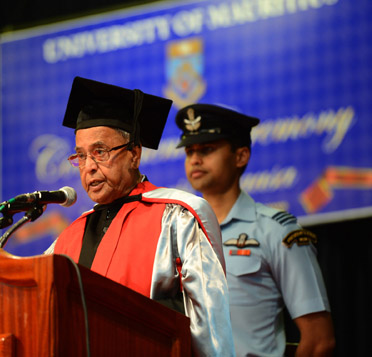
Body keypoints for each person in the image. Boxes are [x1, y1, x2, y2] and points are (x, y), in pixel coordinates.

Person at [46, 77, 234, 356]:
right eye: (81, 156)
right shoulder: (68, 238)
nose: (89, 167)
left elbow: (210, 326)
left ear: (134, 154)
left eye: (100, 152)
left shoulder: (178, 217)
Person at [175, 104, 335, 356]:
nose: (195, 159)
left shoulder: (276, 231)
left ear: (240, 156)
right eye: (189, 151)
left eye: (207, 149)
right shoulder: (178, 233)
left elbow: (318, 340)